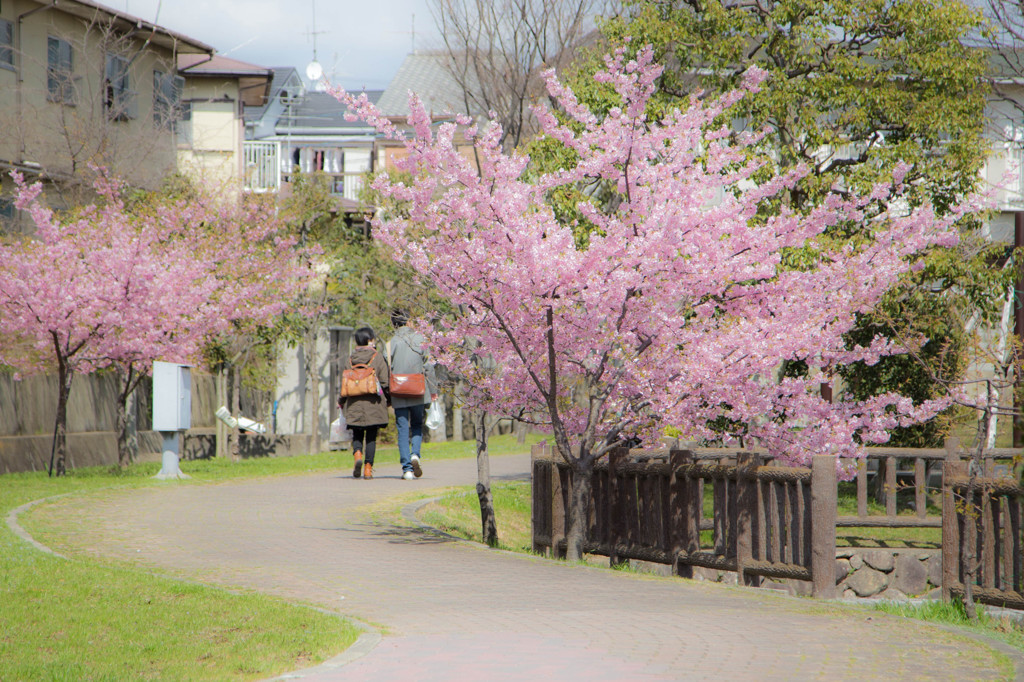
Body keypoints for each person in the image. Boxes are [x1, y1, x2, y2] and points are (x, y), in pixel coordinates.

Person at [388, 310, 437, 480]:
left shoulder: (390, 343)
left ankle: (407, 469)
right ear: (408, 321)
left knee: (402, 430)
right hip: (418, 389)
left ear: (394, 324)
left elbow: (387, 368)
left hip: (398, 391)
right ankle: (415, 454)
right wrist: (433, 390)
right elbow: (429, 367)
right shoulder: (420, 339)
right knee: (417, 425)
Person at [340, 326, 390, 479]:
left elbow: (344, 383)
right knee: (371, 437)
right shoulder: (377, 357)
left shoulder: (349, 359)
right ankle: (368, 469)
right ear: (370, 340)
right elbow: (385, 382)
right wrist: (388, 400)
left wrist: (341, 402)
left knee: (357, 434)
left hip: (354, 404)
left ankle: (357, 455)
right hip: (374, 404)